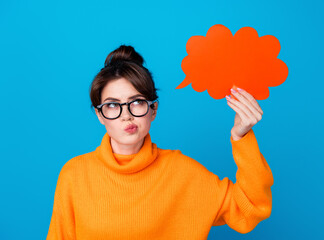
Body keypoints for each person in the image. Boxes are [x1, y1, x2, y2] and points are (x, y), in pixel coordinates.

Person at [46, 45, 273, 240]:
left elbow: (251, 208)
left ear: (153, 109)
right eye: (113, 105)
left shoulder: (183, 172)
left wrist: (241, 136)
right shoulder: (75, 174)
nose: (126, 115)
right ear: (99, 115)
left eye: (136, 102)